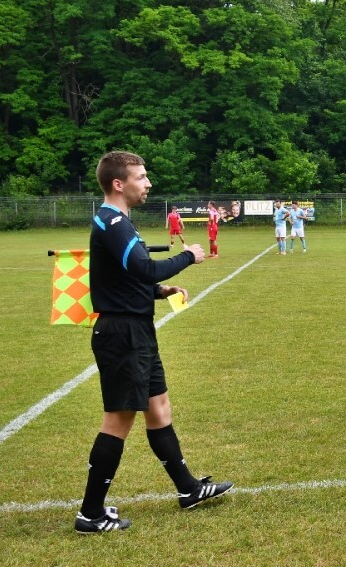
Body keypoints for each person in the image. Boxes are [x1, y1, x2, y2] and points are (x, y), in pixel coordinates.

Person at [75, 151, 233, 533]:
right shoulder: (113, 222)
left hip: (136, 331)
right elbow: (143, 267)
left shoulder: (119, 222)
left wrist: (159, 291)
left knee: (159, 407)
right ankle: (90, 513)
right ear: (119, 183)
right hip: (122, 335)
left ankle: (189, 490)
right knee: (119, 419)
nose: (147, 184)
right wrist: (187, 257)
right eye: (141, 177)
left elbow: (128, 277)